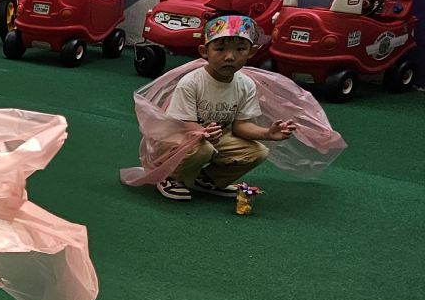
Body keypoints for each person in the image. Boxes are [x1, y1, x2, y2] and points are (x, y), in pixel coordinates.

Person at [121, 13, 345, 200]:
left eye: (240, 49)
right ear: (204, 52)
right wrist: (201, 132)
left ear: (252, 52)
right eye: (220, 49)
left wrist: (267, 133)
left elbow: (240, 126)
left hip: (216, 137)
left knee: (257, 151)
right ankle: (172, 178)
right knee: (203, 148)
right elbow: (179, 125)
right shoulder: (192, 82)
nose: (230, 57)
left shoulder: (245, 84)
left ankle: (207, 180)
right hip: (181, 138)